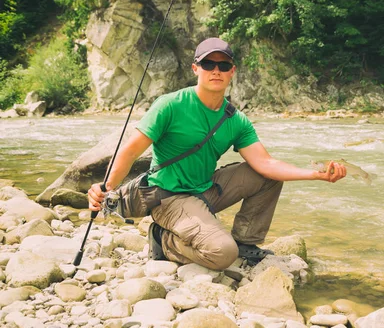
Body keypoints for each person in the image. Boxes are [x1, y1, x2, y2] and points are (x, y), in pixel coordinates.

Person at [88, 37, 346, 270]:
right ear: (195, 68)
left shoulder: (236, 120)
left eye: (223, 66)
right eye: (208, 63)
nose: (216, 70)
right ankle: (163, 241)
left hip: (206, 189)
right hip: (169, 197)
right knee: (222, 254)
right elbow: (131, 150)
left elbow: (265, 162)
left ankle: (246, 243)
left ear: (232, 72)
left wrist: (317, 174)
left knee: (267, 177)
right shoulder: (170, 105)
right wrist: (105, 187)